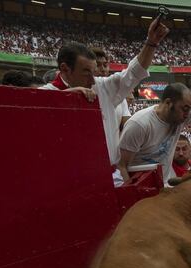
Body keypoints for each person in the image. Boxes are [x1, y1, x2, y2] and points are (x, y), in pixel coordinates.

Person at [41, 18, 169, 168]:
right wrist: (66, 97)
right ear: (65, 69)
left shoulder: (102, 87)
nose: (93, 80)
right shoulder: (44, 95)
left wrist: (151, 43)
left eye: (93, 72)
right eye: (86, 72)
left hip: (109, 173)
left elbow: (133, 73)